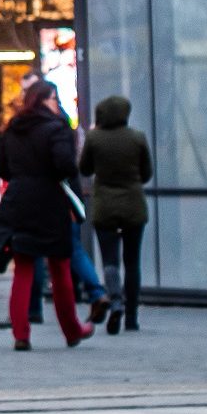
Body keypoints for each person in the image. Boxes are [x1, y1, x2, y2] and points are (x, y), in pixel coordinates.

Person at [0, 79, 93, 350]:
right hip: (50, 201)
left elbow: (2, 168)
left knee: (23, 268)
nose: (56, 103)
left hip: (20, 201)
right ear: (42, 100)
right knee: (59, 268)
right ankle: (72, 330)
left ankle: (20, 334)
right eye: (53, 98)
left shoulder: (13, 129)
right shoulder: (56, 128)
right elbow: (64, 165)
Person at [79, 94, 152, 334]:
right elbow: (147, 173)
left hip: (105, 206)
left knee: (110, 260)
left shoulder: (94, 138)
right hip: (133, 204)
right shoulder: (137, 138)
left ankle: (115, 300)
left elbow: (85, 168)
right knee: (133, 262)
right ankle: (132, 316)